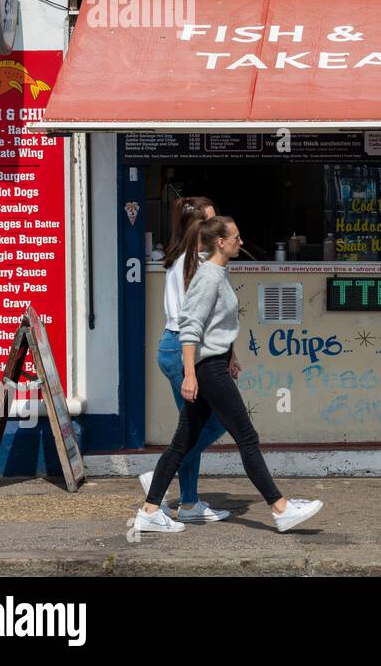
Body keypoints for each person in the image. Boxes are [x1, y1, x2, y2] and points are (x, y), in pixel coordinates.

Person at [134, 216, 324, 534]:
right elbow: (190, 327)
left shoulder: (219, 271)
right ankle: (280, 508)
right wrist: (190, 375)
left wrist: (230, 352)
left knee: (183, 441)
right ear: (220, 242)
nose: (241, 242)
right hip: (208, 369)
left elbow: (216, 323)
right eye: (236, 237)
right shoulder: (208, 276)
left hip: (215, 362)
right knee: (246, 437)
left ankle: (150, 510)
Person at [139, 195, 231, 523]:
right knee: (215, 422)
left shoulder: (183, 256)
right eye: (210, 221)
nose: (217, 226)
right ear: (197, 227)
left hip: (175, 347)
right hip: (183, 348)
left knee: (190, 429)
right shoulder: (195, 262)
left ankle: (189, 504)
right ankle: (161, 478)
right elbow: (194, 321)